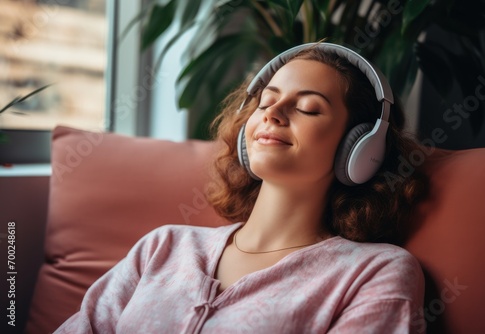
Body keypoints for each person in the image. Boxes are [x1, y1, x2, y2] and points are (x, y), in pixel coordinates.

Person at [55, 42, 427, 333]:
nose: (272, 112)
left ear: (361, 148)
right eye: (266, 100)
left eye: (309, 108)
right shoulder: (163, 247)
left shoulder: (375, 272)